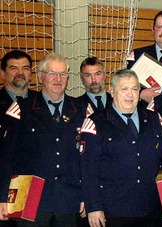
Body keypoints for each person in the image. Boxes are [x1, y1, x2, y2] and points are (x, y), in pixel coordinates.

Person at [1, 53, 88, 226]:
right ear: (40, 77)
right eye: (52, 73)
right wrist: (2, 196)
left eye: (63, 74)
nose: (58, 78)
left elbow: (88, 158)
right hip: (30, 199)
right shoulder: (21, 109)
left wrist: (89, 195)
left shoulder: (82, 109)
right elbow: (6, 157)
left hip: (70, 200)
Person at [80, 69, 162, 227]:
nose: (130, 94)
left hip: (150, 209)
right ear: (112, 91)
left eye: (134, 89)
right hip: (113, 210)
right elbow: (88, 169)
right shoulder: (95, 122)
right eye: (124, 89)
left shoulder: (154, 119)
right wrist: (94, 207)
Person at [0, 50, 35, 227]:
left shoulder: (42, 102)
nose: (20, 72)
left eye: (25, 68)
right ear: (2, 73)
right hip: (4, 189)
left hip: (37, 190)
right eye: (14, 68)